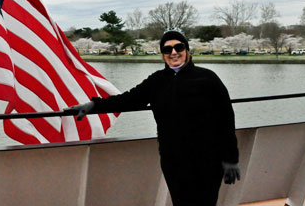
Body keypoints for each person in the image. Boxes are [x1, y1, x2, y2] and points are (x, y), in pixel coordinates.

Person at [67, 29, 240, 206]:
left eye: (178, 47)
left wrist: (231, 159)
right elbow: (128, 100)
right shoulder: (157, 81)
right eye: (167, 49)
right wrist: (94, 105)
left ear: (187, 50)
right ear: (163, 54)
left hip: (208, 161)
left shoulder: (208, 79)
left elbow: (226, 120)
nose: (173, 53)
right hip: (173, 161)